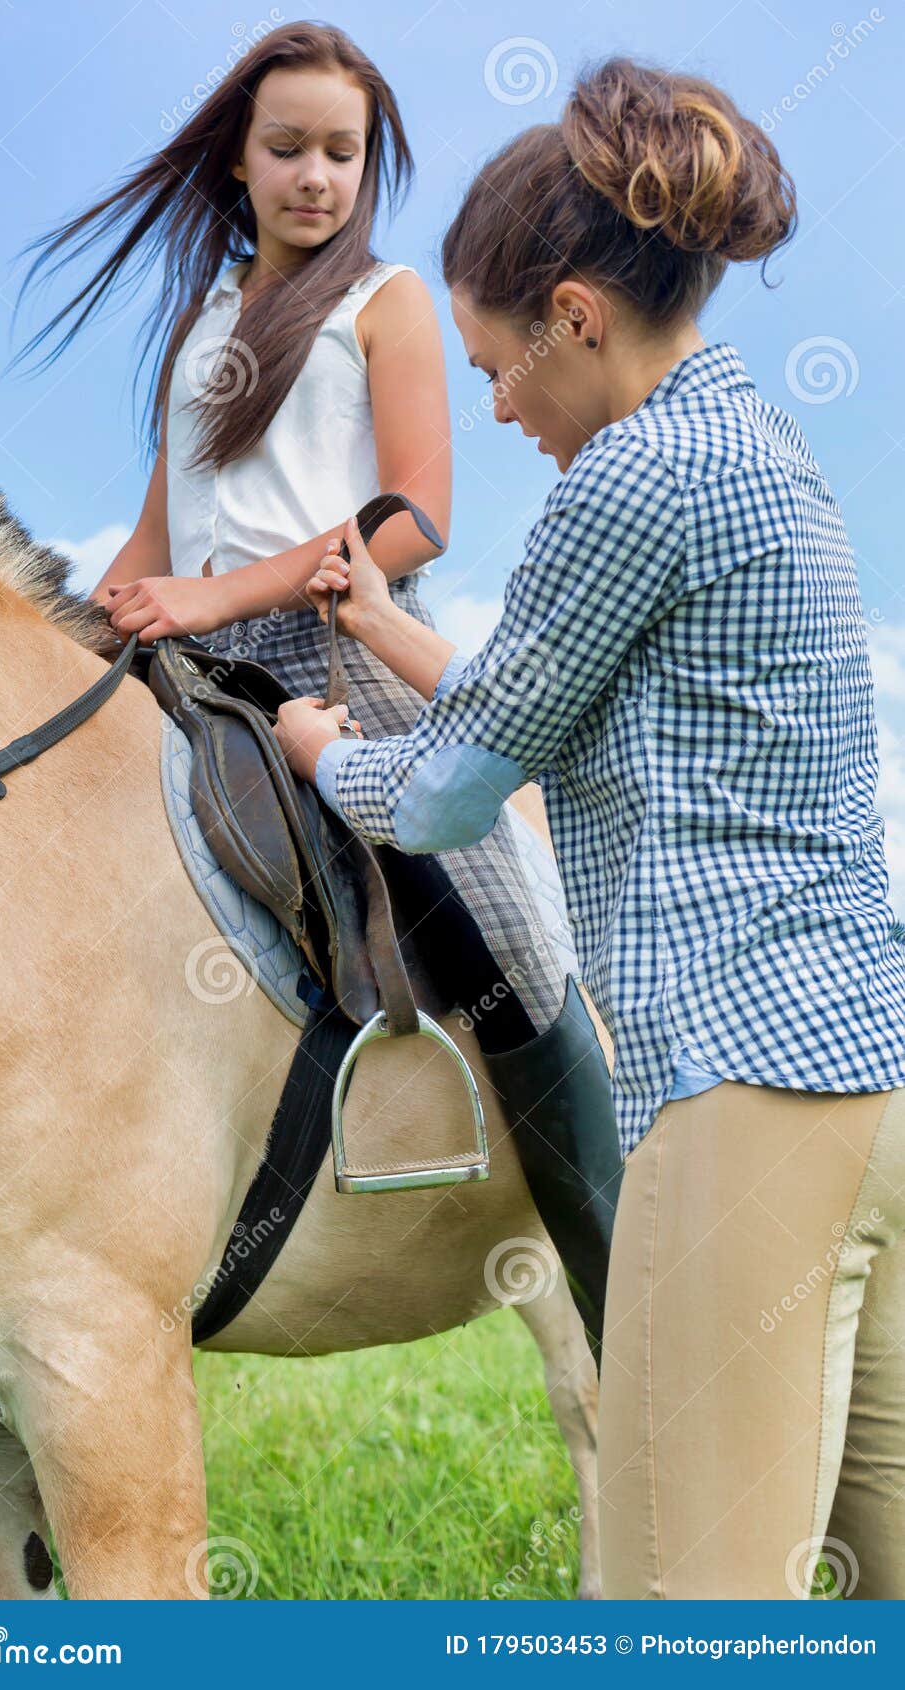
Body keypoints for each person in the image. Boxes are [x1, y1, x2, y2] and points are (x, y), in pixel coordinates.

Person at [272, 54, 905, 1600]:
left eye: (497, 365)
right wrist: (387, 622)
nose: (492, 407)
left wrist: (320, 750)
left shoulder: (631, 477)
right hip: (871, 1091)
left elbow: (451, 785)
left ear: (574, 313)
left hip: (741, 1088)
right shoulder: (755, 445)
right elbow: (549, 691)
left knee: (678, 1609)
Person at [8, 22, 623, 1349]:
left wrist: (220, 596)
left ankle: (624, 1274)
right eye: (286, 147)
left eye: (341, 152)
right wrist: (96, 615)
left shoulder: (387, 302)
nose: (314, 176)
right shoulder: (205, 321)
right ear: (239, 158)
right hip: (183, 658)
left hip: (342, 648)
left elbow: (414, 520)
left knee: (514, 937)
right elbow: (162, 534)